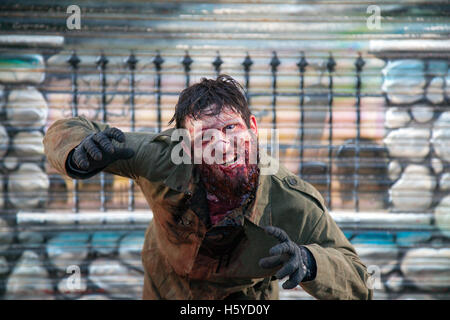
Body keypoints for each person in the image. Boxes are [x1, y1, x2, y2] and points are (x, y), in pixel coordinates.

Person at [43, 74, 373, 300]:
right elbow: (67, 128)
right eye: (206, 137)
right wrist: (78, 153)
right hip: (165, 287)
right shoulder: (162, 159)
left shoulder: (290, 201)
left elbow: (359, 281)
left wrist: (309, 261)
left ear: (254, 129)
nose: (224, 144)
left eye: (232, 127)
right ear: (185, 146)